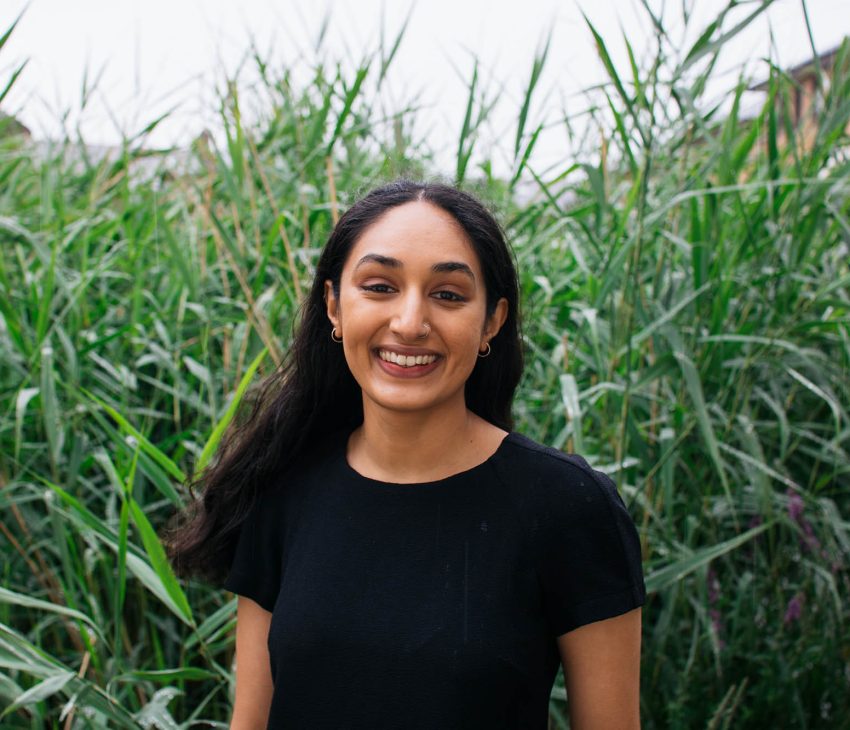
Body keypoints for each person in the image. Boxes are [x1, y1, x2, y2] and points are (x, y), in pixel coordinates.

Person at [167, 180, 645, 729]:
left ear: (492, 320)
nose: (410, 323)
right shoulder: (282, 491)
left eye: (448, 294)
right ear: (334, 306)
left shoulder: (568, 507)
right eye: (379, 286)